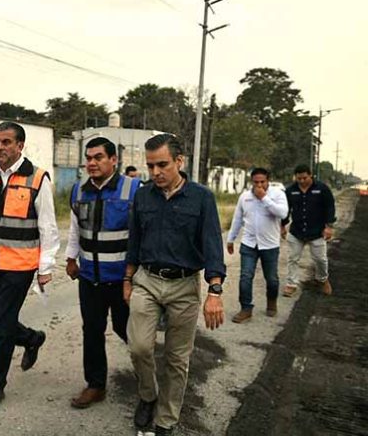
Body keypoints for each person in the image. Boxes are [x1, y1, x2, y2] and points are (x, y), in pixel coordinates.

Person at [122, 133, 225, 436]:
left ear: (180, 161)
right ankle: (147, 396)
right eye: (150, 166)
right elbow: (134, 241)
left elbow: (212, 246)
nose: (155, 172)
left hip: (184, 286)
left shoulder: (201, 198)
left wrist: (215, 291)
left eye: (162, 165)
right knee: (139, 347)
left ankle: (165, 420)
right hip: (147, 281)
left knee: (177, 358)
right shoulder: (143, 196)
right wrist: (128, 279)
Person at [0, 121, 60, 412]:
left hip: (20, 265)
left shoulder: (37, 178)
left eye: (6, 142)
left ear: (20, 146)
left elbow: (48, 226)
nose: (0, 147)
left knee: (4, 325)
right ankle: (32, 338)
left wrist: (45, 266)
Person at [65, 137, 140, 409]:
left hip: (123, 280)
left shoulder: (134, 189)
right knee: (92, 331)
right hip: (90, 278)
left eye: (98, 157)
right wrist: (70, 258)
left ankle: (149, 375)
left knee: (129, 330)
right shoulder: (79, 191)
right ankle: (95, 385)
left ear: (113, 160)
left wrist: (136, 274)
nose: (92, 163)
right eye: (89, 158)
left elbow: (142, 232)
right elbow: (75, 229)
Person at [226, 167, 288, 323]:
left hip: (270, 245)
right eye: (256, 182)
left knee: (271, 279)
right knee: (245, 277)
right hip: (249, 243)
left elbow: (282, 213)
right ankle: (246, 308)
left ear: (268, 181)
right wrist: (231, 239)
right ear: (251, 182)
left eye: (262, 182)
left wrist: (264, 198)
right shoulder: (245, 197)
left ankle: (271, 302)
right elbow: (237, 219)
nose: (259, 185)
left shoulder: (278, 194)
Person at [281, 164, 336, 297]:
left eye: (304, 178)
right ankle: (291, 284)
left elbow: (330, 207)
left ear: (311, 175)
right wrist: (282, 225)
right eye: (298, 178)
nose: (301, 181)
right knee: (293, 258)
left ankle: (322, 279)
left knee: (320, 259)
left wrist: (329, 227)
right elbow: (285, 209)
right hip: (297, 231)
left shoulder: (322, 189)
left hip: (317, 231)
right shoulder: (290, 190)